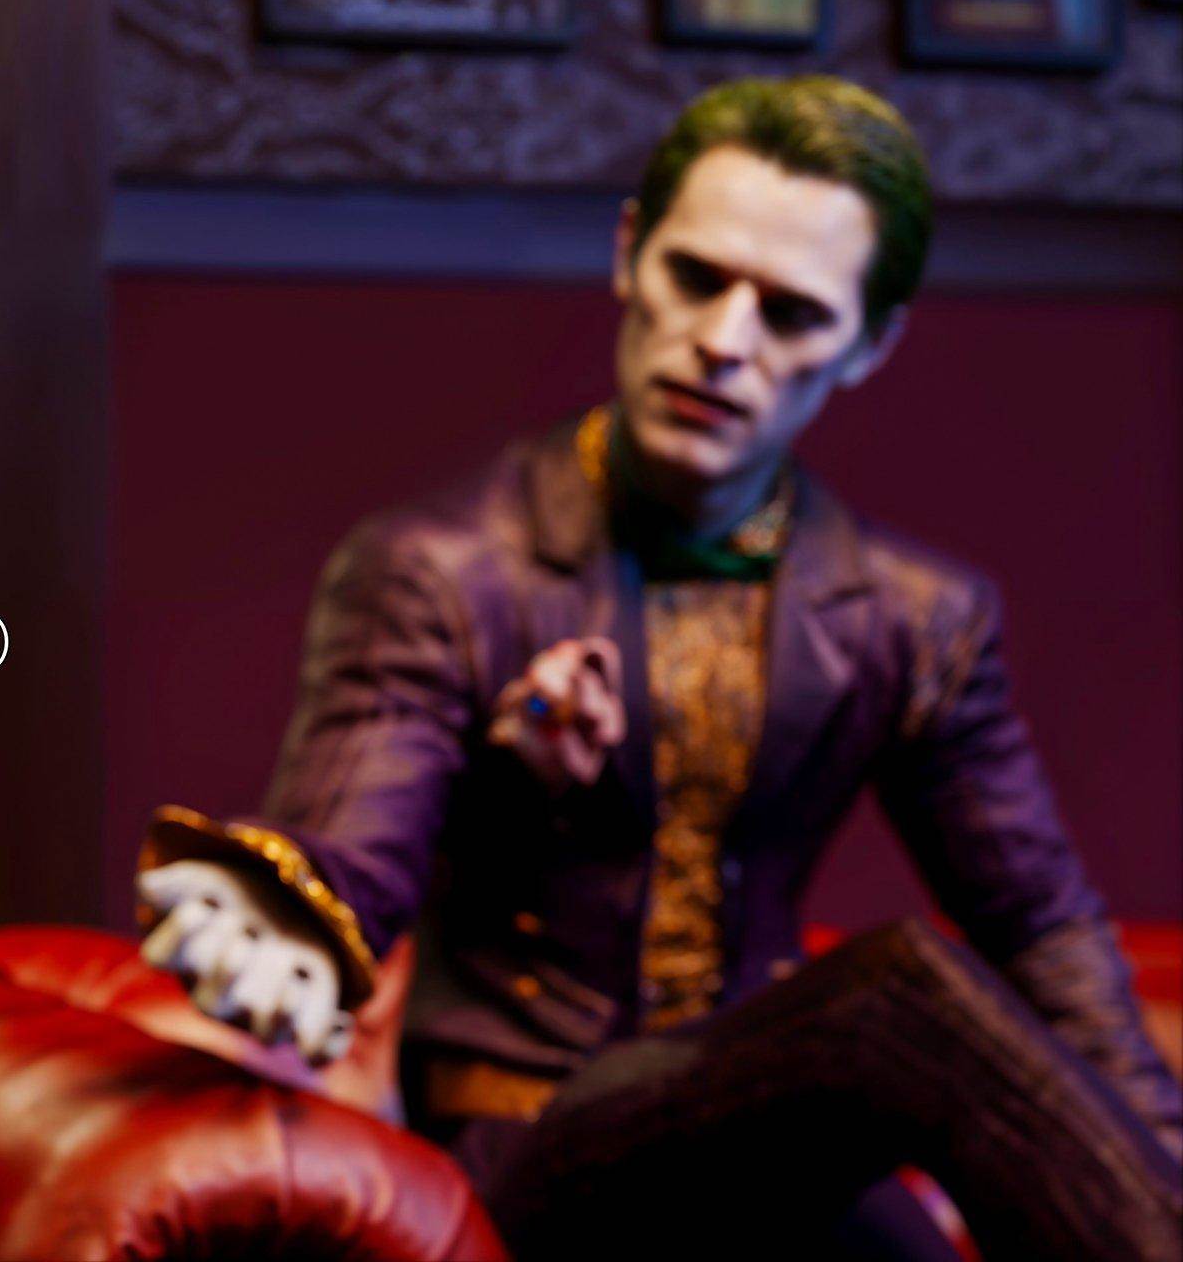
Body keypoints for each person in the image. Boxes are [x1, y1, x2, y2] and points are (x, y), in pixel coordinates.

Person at [134, 76, 1181, 1258]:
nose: (723, 343)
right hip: (534, 1146)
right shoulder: (443, 569)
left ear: (868, 343)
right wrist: (288, 917)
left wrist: (1156, 1164)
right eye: (696, 277)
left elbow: (1039, 931)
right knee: (898, 997)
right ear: (630, 254)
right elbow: (354, 834)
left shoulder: (914, 617)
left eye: (790, 314)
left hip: (770, 1136)